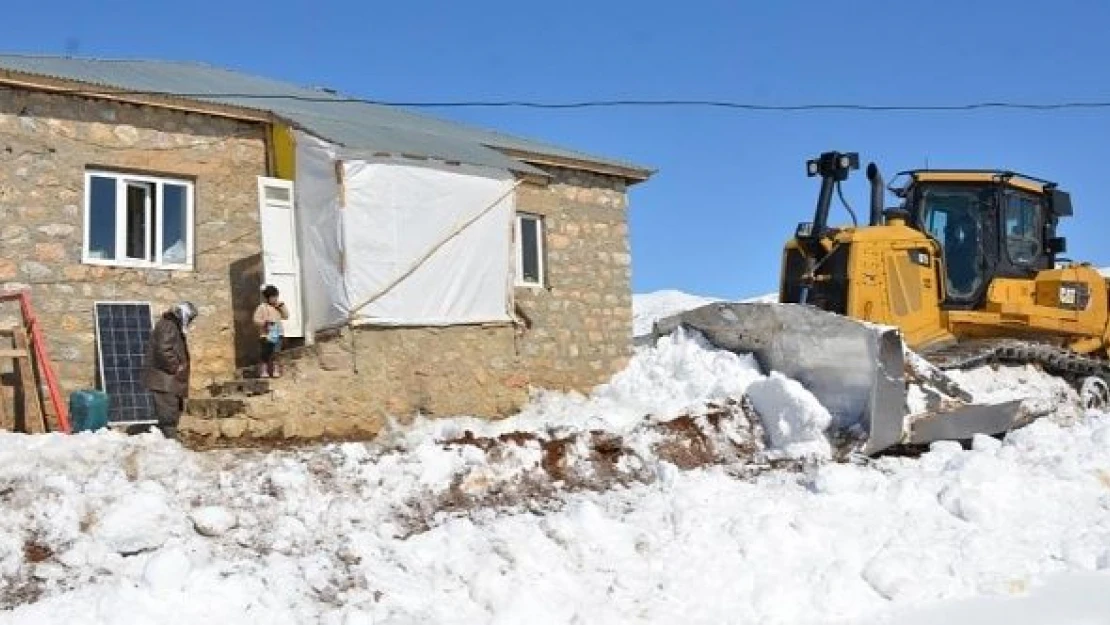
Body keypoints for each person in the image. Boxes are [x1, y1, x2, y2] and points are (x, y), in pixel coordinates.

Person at [141, 302, 197, 440]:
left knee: (172, 413)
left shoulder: (171, 326)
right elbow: (163, 349)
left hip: (169, 381)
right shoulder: (167, 326)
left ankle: (170, 445)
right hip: (165, 380)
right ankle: (170, 446)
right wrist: (175, 367)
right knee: (168, 416)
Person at [253, 285, 289, 378]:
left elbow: (286, 316)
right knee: (265, 353)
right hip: (266, 334)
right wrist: (264, 322)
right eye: (273, 297)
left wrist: (282, 306)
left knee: (276, 353)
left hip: (278, 333)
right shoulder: (262, 307)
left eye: (276, 296)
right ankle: (264, 371)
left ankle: (275, 370)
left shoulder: (278, 307)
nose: (275, 299)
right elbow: (256, 319)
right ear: (267, 297)